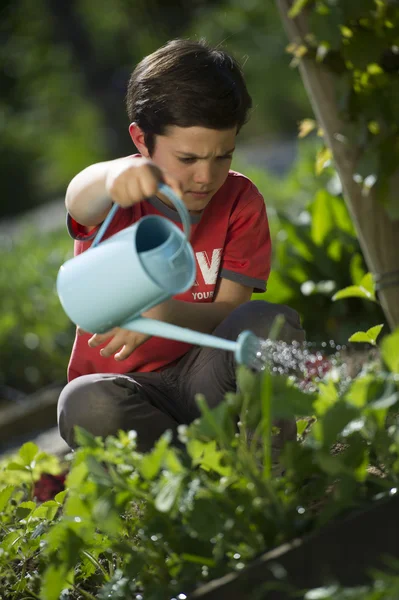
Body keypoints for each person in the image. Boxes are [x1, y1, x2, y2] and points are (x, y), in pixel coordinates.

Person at [57, 38, 305, 458]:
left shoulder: (240, 201)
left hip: (207, 378)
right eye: (188, 159)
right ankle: (194, 472)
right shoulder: (118, 193)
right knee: (82, 404)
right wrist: (113, 174)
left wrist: (164, 314)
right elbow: (79, 198)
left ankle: (273, 465)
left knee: (268, 324)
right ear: (141, 140)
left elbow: (232, 311)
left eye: (223, 156)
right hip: (133, 391)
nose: (206, 177)